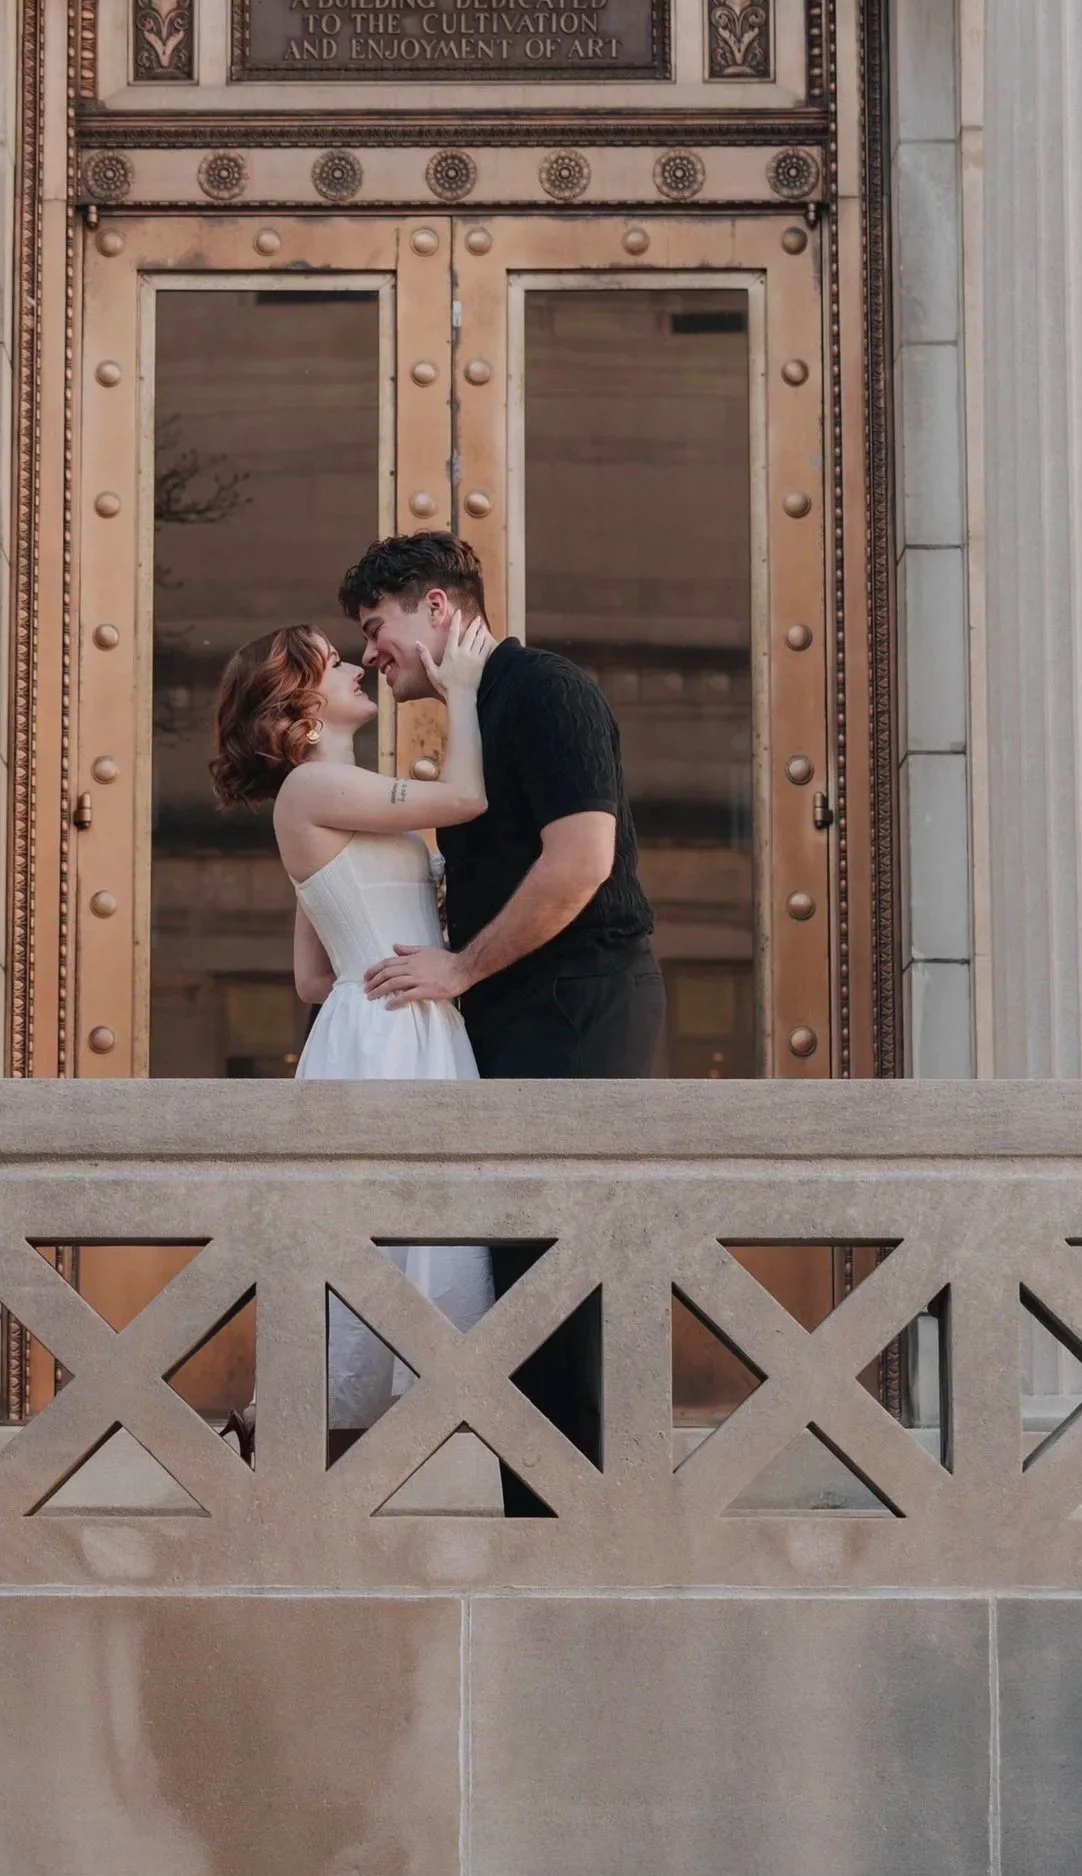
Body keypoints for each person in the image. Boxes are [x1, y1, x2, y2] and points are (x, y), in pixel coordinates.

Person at [337, 531, 662, 1510]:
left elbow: (580, 862)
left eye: (375, 624)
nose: (368, 652)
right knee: (524, 1272)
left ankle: (580, 1531)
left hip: (576, 1004)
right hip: (522, 1011)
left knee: (558, 1265)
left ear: (436, 606)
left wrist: (462, 965)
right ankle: (545, 1523)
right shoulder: (485, 711)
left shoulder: (547, 691)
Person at [208, 613, 496, 1441]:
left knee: (386, 1231)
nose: (354, 670)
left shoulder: (329, 798)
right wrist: (462, 697)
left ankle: (283, 1430)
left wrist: (376, 959)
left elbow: (310, 978)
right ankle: (290, 1428)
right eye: (334, 665)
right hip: (394, 1030)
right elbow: (468, 798)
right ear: (298, 701)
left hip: (383, 1021)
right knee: (396, 1226)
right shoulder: (311, 788)